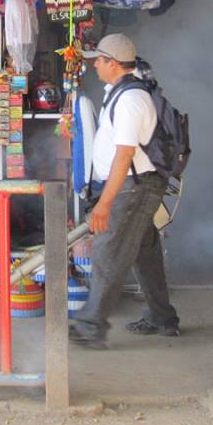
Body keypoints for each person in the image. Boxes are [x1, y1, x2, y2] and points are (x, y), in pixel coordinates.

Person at [69, 33, 179, 348]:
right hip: (135, 185)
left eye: (98, 60)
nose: (94, 66)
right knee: (145, 253)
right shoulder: (120, 93)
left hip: (134, 188)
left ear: (113, 63)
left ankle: (90, 327)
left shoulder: (131, 100)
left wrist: (104, 204)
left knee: (108, 251)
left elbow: (124, 155)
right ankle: (162, 318)